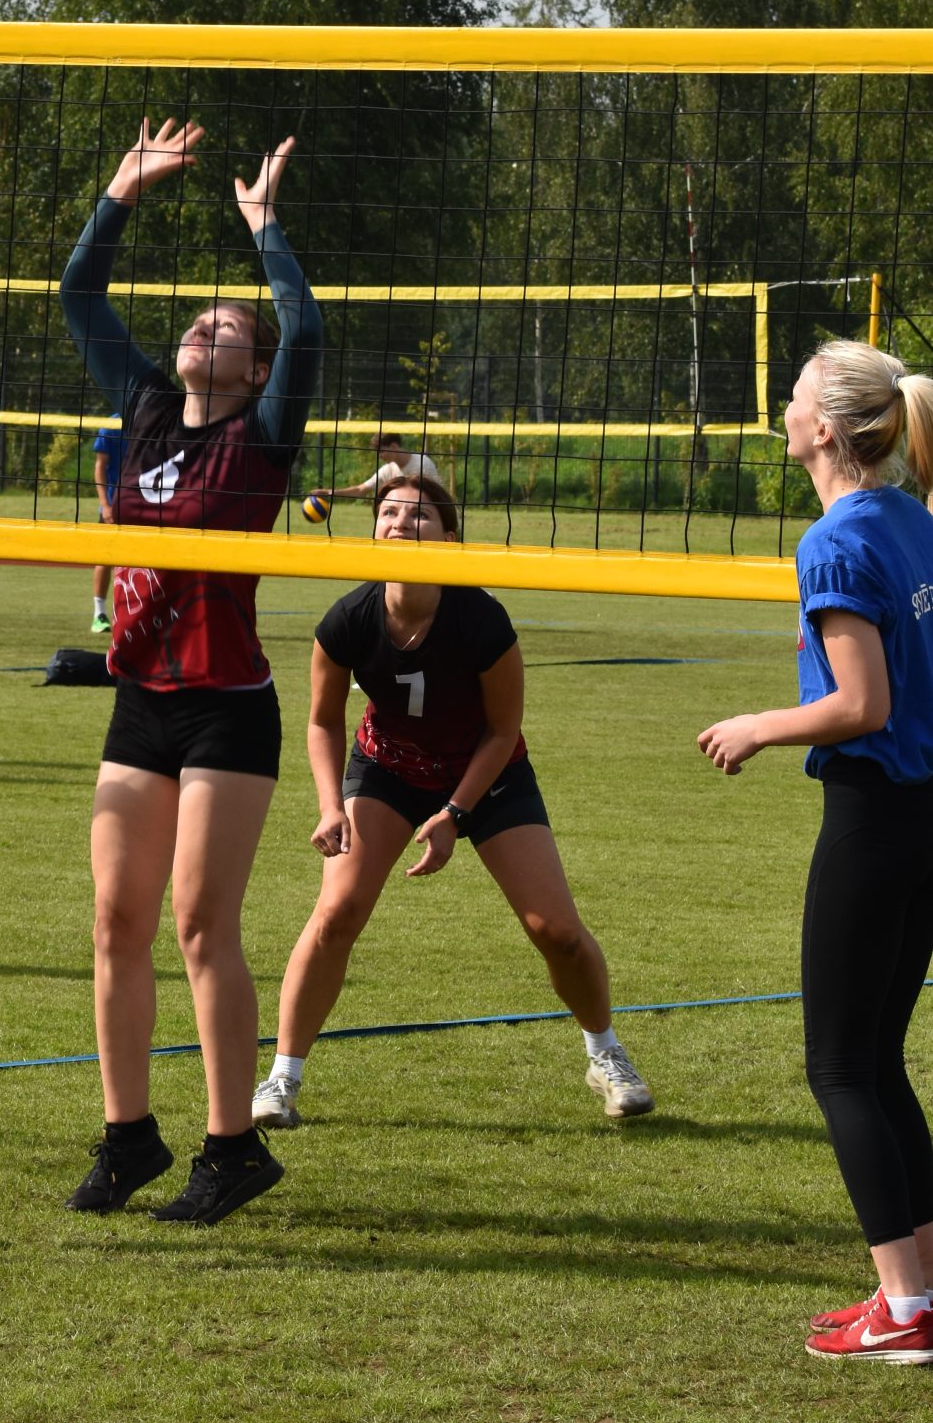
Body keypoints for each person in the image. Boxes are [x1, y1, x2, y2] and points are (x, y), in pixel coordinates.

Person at [59, 120, 321, 1225]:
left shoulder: (261, 437)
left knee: (200, 927)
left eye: (225, 326)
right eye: (196, 321)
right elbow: (79, 295)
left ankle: (231, 1145)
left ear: (254, 369)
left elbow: (306, 326)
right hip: (141, 700)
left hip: (226, 707)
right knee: (115, 922)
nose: (200, 328)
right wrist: (121, 188)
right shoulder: (146, 409)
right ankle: (128, 1138)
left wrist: (263, 225)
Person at [253, 468, 653, 1132]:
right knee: (336, 914)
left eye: (418, 515)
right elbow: (322, 722)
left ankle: (605, 1053)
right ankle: (280, 1080)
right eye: (389, 513)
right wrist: (329, 805)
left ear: (448, 537)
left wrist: (454, 813)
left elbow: (502, 730)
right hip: (387, 770)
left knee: (554, 931)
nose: (400, 523)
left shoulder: (480, 618)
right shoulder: (348, 618)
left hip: (487, 774)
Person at [699, 340, 933, 1365]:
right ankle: (919, 1291)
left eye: (793, 395)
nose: (783, 408)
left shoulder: (835, 541)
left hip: (875, 815)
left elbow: (860, 704)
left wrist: (758, 723)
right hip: (920, 814)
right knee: (877, 1060)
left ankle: (905, 1309)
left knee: (838, 1065)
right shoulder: (911, 517)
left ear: (825, 428)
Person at [306, 436, 441, 517]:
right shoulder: (389, 469)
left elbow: (436, 499)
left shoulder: (422, 464)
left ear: (394, 446)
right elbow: (360, 490)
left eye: (381, 451)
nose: (379, 456)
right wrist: (328, 492)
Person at [90, 420, 123, 634]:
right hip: (114, 503)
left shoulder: (151, 418)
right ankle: (99, 614)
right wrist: (105, 504)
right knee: (105, 558)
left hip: (143, 503)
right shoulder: (111, 425)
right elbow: (100, 465)